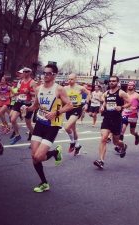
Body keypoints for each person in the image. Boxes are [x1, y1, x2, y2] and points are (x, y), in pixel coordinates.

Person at [22, 64, 73, 192]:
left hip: (52, 126)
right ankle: (44, 182)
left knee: (39, 157)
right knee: (34, 156)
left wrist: (56, 112)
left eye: (48, 73)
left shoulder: (59, 89)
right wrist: (27, 109)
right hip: (40, 123)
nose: (45, 75)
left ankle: (56, 152)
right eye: (44, 73)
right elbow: (35, 106)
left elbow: (70, 105)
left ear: (54, 75)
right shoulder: (38, 89)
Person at [93, 76, 131, 169]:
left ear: (117, 82)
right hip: (107, 118)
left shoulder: (121, 93)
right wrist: (103, 107)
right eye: (110, 81)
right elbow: (105, 102)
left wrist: (121, 107)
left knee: (116, 142)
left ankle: (124, 146)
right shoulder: (106, 93)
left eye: (113, 81)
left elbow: (129, 102)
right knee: (104, 138)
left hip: (117, 120)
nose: (111, 82)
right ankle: (101, 161)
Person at [64, 73, 90, 156]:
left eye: (71, 79)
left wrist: (86, 104)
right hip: (68, 109)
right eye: (69, 79)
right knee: (73, 129)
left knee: (67, 127)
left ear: (75, 79)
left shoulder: (80, 88)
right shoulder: (65, 88)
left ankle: (72, 142)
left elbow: (89, 93)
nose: (70, 80)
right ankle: (78, 146)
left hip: (76, 109)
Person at [10, 67, 37, 145]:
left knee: (28, 124)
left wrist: (29, 92)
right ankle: (17, 135)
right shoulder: (21, 81)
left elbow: (36, 94)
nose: (24, 73)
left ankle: (34, 139)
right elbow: (21, 92)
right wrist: (16, 94)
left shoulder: (32, 82)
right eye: (23, 72)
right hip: (19, 102)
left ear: (30, 73)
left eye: (26, 72)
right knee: (12, 119)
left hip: (27, 104)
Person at [115, 81, 139, 153]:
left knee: (132, 131)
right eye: (129, 85)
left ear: (134, 86)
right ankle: (119, 146)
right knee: (122, 129)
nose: (129, 86)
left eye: (131, 85)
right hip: (125, 113)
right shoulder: (125, 94)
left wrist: (136, 108)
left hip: (133, 114)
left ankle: (136, 135)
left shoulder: (137, 95)